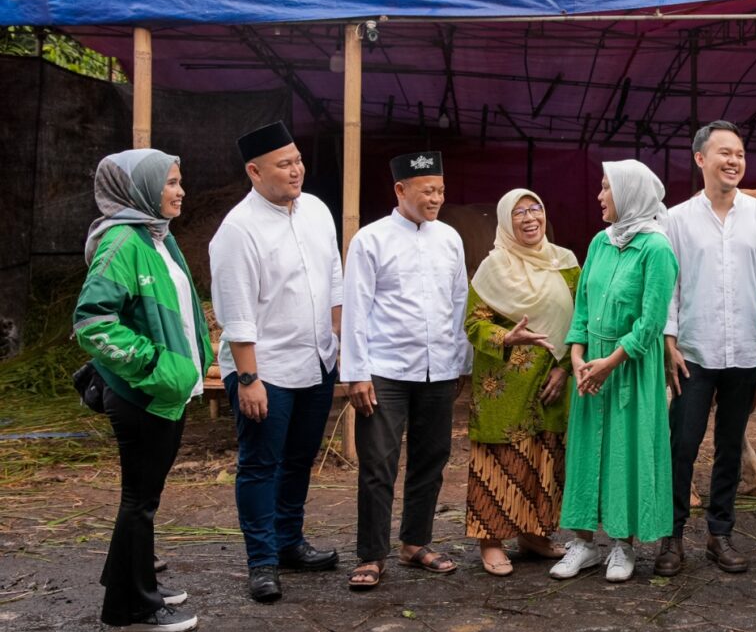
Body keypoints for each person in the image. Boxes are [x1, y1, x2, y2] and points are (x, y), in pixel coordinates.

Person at [74, 149, 209, 632]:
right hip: (142, 394)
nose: (180, 191)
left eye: (179, 180)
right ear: (140, 189)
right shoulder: (122, 242)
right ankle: (131, 609)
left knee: (141, 498)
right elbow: (92, 323)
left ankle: (127, 579)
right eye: (170, 182)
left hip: (164, 390)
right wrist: (155, 366)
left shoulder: (154, 236)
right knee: (139, 501)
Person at [210, 121, 343, 603]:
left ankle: (289, 542)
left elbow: (333, 276)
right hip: (265, 371)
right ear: (254, 171)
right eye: (284, 164)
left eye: (298, 160)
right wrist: (248, 378)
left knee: (300, 459)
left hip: (315, 362)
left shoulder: (317, 212)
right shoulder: (238, 229)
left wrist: (335, 338)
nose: (297, 170)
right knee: (261, 463)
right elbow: (236, 309)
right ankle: (261, 561)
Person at [340, 151, 471, 590]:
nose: (437, 197)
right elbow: (356, 308)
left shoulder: (450, 238)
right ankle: (371, 554)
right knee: (378, 463)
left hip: (438, 369)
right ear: (400, 190)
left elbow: (459, 304)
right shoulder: (371, 240)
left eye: (440, 190)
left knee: (432, 458)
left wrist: (459, 363)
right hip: (385, 370)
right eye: (427, 190)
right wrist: (356, 372)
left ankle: (416, 542)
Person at [656, 121, 756, 577]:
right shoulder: (675, 218)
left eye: (740, 154)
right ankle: (671, 537)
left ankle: (719, 534)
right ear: (700, 159)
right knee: (682, 445)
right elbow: (668, 286)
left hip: (746, 350)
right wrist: (668, 338)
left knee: (731, 446)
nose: (734, 161)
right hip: (693, 351)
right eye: (724, 153)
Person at [549, 160, 679, 583]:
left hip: (629, 367)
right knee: (585, 452)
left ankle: (623, 545)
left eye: (607, 189)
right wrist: (577, 357)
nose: (600, 196)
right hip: (591, 367)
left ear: (629, 195)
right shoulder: (600, 243)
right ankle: (584, 543)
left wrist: (611, 362)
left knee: (628, 451)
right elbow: (583, 305)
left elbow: (651, 321)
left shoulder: (657, 249)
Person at [463, 189, 579, 577]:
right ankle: (492, 540)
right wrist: (506, 338)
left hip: (551, 381)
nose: (530, 218)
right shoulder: (493, 267)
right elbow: (474, 324)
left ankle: (534, 534)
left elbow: (581, 323)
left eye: (536, 209)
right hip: (504, 384)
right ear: (505, 222)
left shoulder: (566, 264)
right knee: (501, 459)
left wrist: (565, 368)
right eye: (519, 213)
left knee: (545, 457)